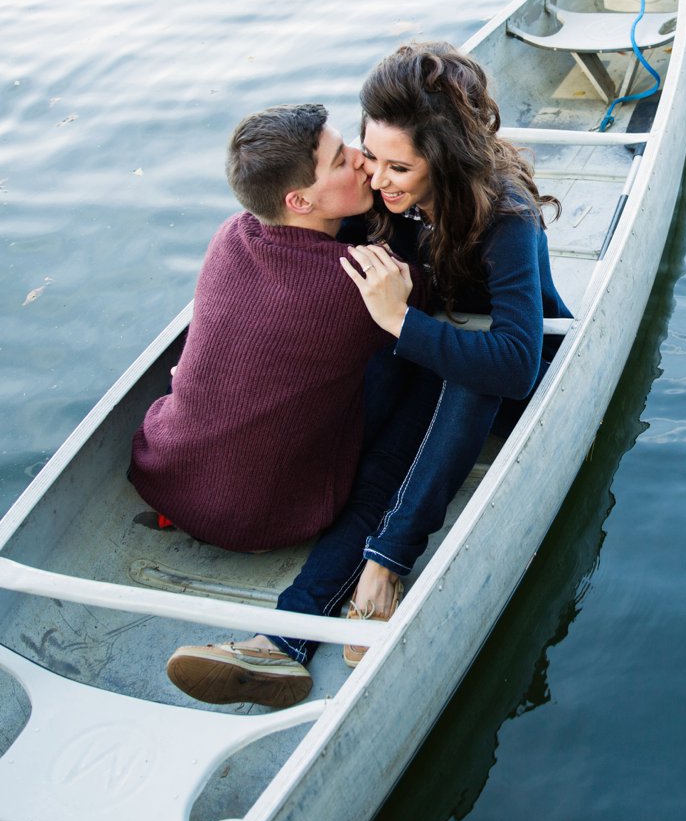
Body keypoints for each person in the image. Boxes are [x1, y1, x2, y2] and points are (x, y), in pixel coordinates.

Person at [166, 41, 569, 708]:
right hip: (427, 353)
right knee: (380, 445)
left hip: (498, 380)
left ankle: (385, 565)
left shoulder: (506, 217)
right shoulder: (380, 200)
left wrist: (404, 325)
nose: (377, 178)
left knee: (461, 366)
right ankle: (283, 641)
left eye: (399, 165)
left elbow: (517, 362)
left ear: (445, 156)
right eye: (368, 155)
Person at [134, 103, 415, 708]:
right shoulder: (355, 287)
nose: (364, 164)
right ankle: (369, 569)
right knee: (419, 387)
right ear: (299, 202)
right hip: (267, 520)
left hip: (167, 479)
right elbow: (419, 314)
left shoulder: (232, 235)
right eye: (343, 160)